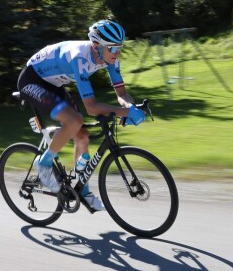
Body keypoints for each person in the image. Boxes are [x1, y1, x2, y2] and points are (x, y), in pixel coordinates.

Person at [17, 19, 146, 211]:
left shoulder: (109, 57)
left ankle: (82, 189)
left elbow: (121, 94)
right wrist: (125, 112)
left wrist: (131, 107)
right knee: (74, 120)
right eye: (112, 48)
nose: (117, 53)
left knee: (83, 135)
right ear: (97, 46)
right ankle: (43, 163)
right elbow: (92, 108)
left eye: (120, 47)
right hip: (32, 80)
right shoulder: (80, 58)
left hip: (53, 84)